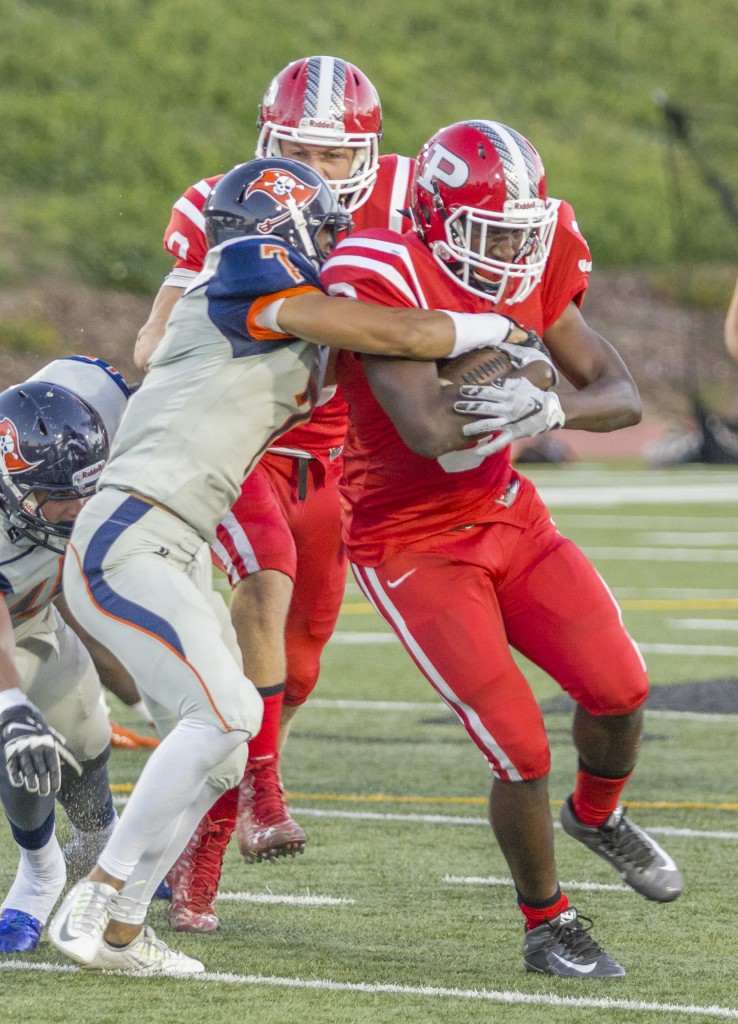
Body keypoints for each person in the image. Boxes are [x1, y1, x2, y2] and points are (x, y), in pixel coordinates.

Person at [47, 156, 529, 975]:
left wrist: (525, 390)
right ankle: (93, 898)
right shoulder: (245, 270)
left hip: (174, 540)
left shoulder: (289, 316)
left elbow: (401, 366)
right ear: (283, 226)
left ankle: (124, 926)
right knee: (224, 719)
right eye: (324, 222)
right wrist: (500, 328)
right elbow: (401, 333)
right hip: (132, 530)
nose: (335, 237)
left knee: (227, 741)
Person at [319, 120, 684, 978]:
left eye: (524, 232)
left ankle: (596, 816)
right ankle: (547, 922)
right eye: (493, 233)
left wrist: (554, 411)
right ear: (437, 217)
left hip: (507, 513)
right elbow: (426, 427)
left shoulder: (540, 247)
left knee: (622, 687)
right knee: (518, 743)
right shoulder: (382, 269)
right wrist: (514, 378)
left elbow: (619, 391)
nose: (513, 251)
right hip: (409, 540)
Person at [135, 55, 418, 934]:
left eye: (331, 156)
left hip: (330, 458)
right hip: (240, 444)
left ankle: (207, 828)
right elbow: (150, 345)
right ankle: (253, 805)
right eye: (293, 147)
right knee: (265, 583)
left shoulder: (407, 201)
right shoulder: (232, 201)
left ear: (367, 156)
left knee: (295, 669)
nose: (311, 166)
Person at [0, 357, 133, 953]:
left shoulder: (87, 400)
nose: (78, 509)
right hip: (12, 622)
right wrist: (10, 705)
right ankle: (39, 873)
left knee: (84, 736)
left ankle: (98, 848)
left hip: (37, 610)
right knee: (22, 741)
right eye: (59, 497)